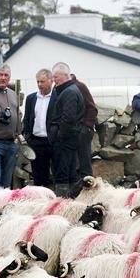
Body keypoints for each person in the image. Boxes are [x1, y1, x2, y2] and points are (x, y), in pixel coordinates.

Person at [48, 63, 85, 197]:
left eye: (55, 77)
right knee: (69, 171)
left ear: (64, 76)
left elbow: (68, 118)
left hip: (65, 140)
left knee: (63, 172)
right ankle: (71, 199)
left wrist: (59, 136)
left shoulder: (69, 92)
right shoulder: (70, 90)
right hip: (69, 138)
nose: (54, 80)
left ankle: (62, 201)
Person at [23, 69, 57, 187]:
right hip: (36, 141)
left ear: (51, 81)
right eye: (38, 82)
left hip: (52, 141)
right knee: (38, 176)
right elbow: (27, 119)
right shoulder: (31, 98)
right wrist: (28, 136)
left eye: (42, 81)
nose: (39, 85)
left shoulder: (57, 96)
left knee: (57, 173)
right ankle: (40, 202)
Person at [70, 73, 98, 179]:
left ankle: (89, 190)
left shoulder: (80, 86)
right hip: (68, 131)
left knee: (84, 164)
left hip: (82, 131)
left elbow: (92, 108)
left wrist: (86, 127)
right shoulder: (58, 88)